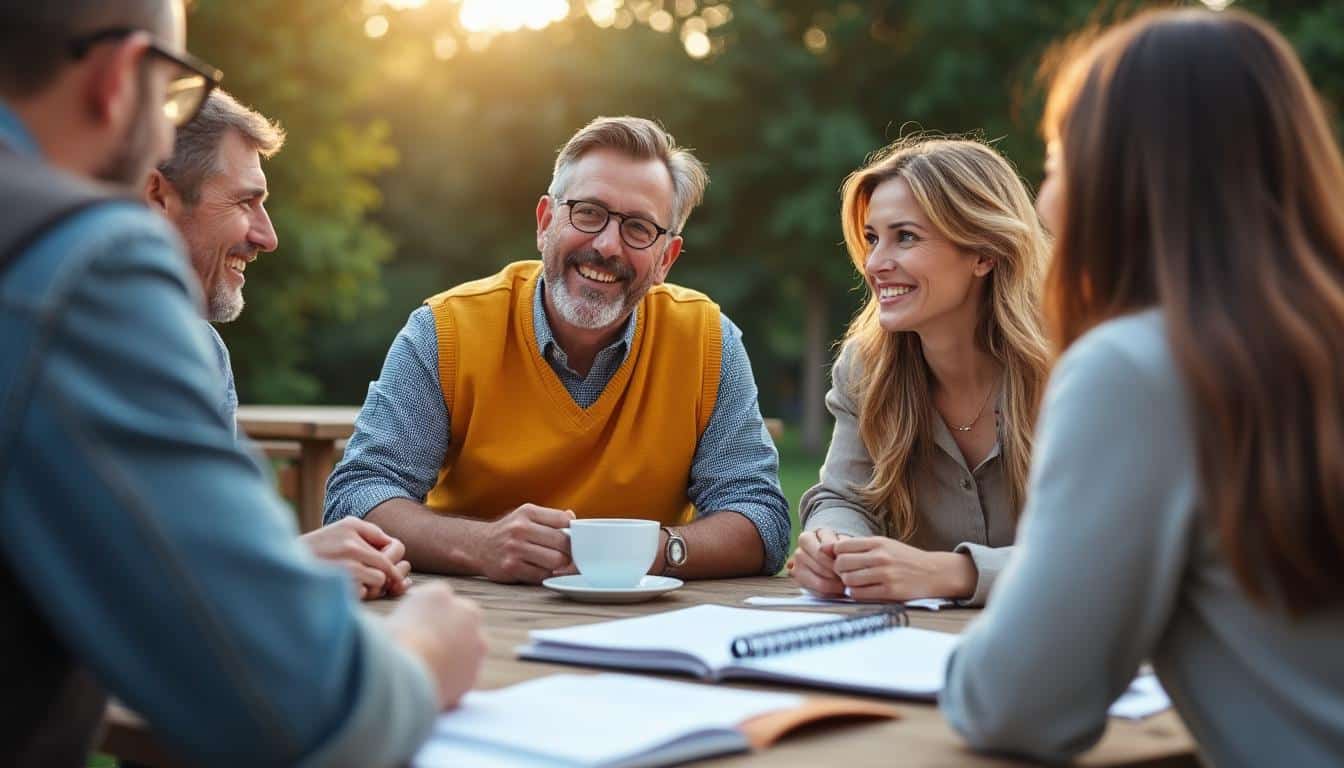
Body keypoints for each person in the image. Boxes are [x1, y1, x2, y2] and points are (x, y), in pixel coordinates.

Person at [0, 2, 485, 766]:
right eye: (175, 91)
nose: (269, 236)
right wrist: (426, 650)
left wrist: (276, 567)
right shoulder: (79, 262)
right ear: (119, 77)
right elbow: (293, 708)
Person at [940, 9, 1344, 765]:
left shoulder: (1136, 371)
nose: (1046, 204)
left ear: (1118, 180)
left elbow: (1017, 705)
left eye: (1058, 163)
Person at [324, 116, 791, 583]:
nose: (607, 245)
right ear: (546, 222)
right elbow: (358, 492)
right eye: (588, 213)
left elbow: (761, 518)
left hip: (644, 625)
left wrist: (657, 550)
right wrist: (479, 547)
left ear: (665, 260)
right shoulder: (448, 330)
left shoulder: (708, 340)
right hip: (473, 619)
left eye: (639, 228)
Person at [144, 89, 412, 601]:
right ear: (158, 196)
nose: (268, 237)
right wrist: (287, 563)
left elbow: (205, 551)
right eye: (246, 202)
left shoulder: (203, 351)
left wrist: (296, 558)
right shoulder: (66, 343)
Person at [789, 137, 1051, 606]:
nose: (873, 264)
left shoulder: (1071, 369)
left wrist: (956, 572)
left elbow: (1112, 550)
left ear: (984, 254)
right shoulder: (865, 370)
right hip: (912, 649)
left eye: (905, 236)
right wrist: (834, 545)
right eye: (872, 238)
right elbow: (844, 498)